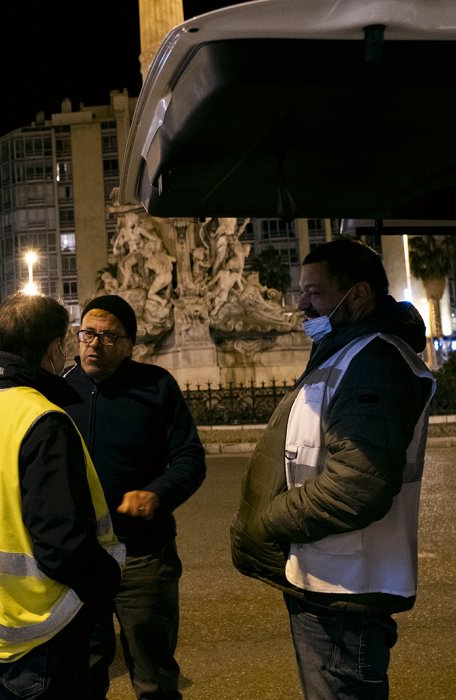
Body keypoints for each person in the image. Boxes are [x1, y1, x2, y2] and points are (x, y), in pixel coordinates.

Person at [230, 238, 436, 700]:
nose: (301, 304)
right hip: (328, 579)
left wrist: (269, 518)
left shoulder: (373, 362)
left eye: (315, 292)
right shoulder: (348, 351)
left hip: (346, 591)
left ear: (357, 295)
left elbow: (357, 485)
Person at [0, 291, 125, 699]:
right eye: (68, 342)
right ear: (54, 349)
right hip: (47, 627)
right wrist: (109, 578)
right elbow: (62, 545)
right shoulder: (42, 420)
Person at [63, 294, 207, 700]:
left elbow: (190, 458)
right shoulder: (61, 391)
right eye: (87, 333)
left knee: (153, 677)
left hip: (143, 555)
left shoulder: (156, 387)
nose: (94, 343)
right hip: (82, 557)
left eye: (108, 336)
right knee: (84, 673)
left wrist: (157, 493)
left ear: (130, 345)